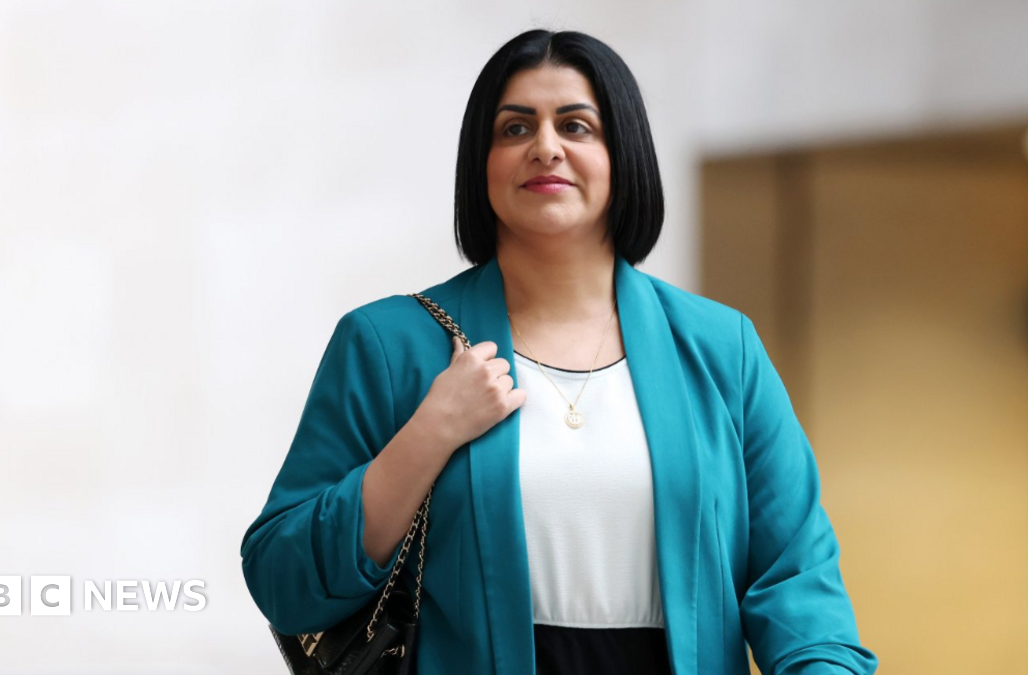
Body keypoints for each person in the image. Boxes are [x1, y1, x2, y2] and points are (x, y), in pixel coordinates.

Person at [240, 29, 878, 675]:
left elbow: (798, 586)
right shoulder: (387, 344)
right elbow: (282, 578)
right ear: (480, 162)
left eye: (576, 126)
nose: (546, 147)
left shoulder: (723, 350)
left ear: (622, 153)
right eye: (515, 129)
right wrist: (429, 432)